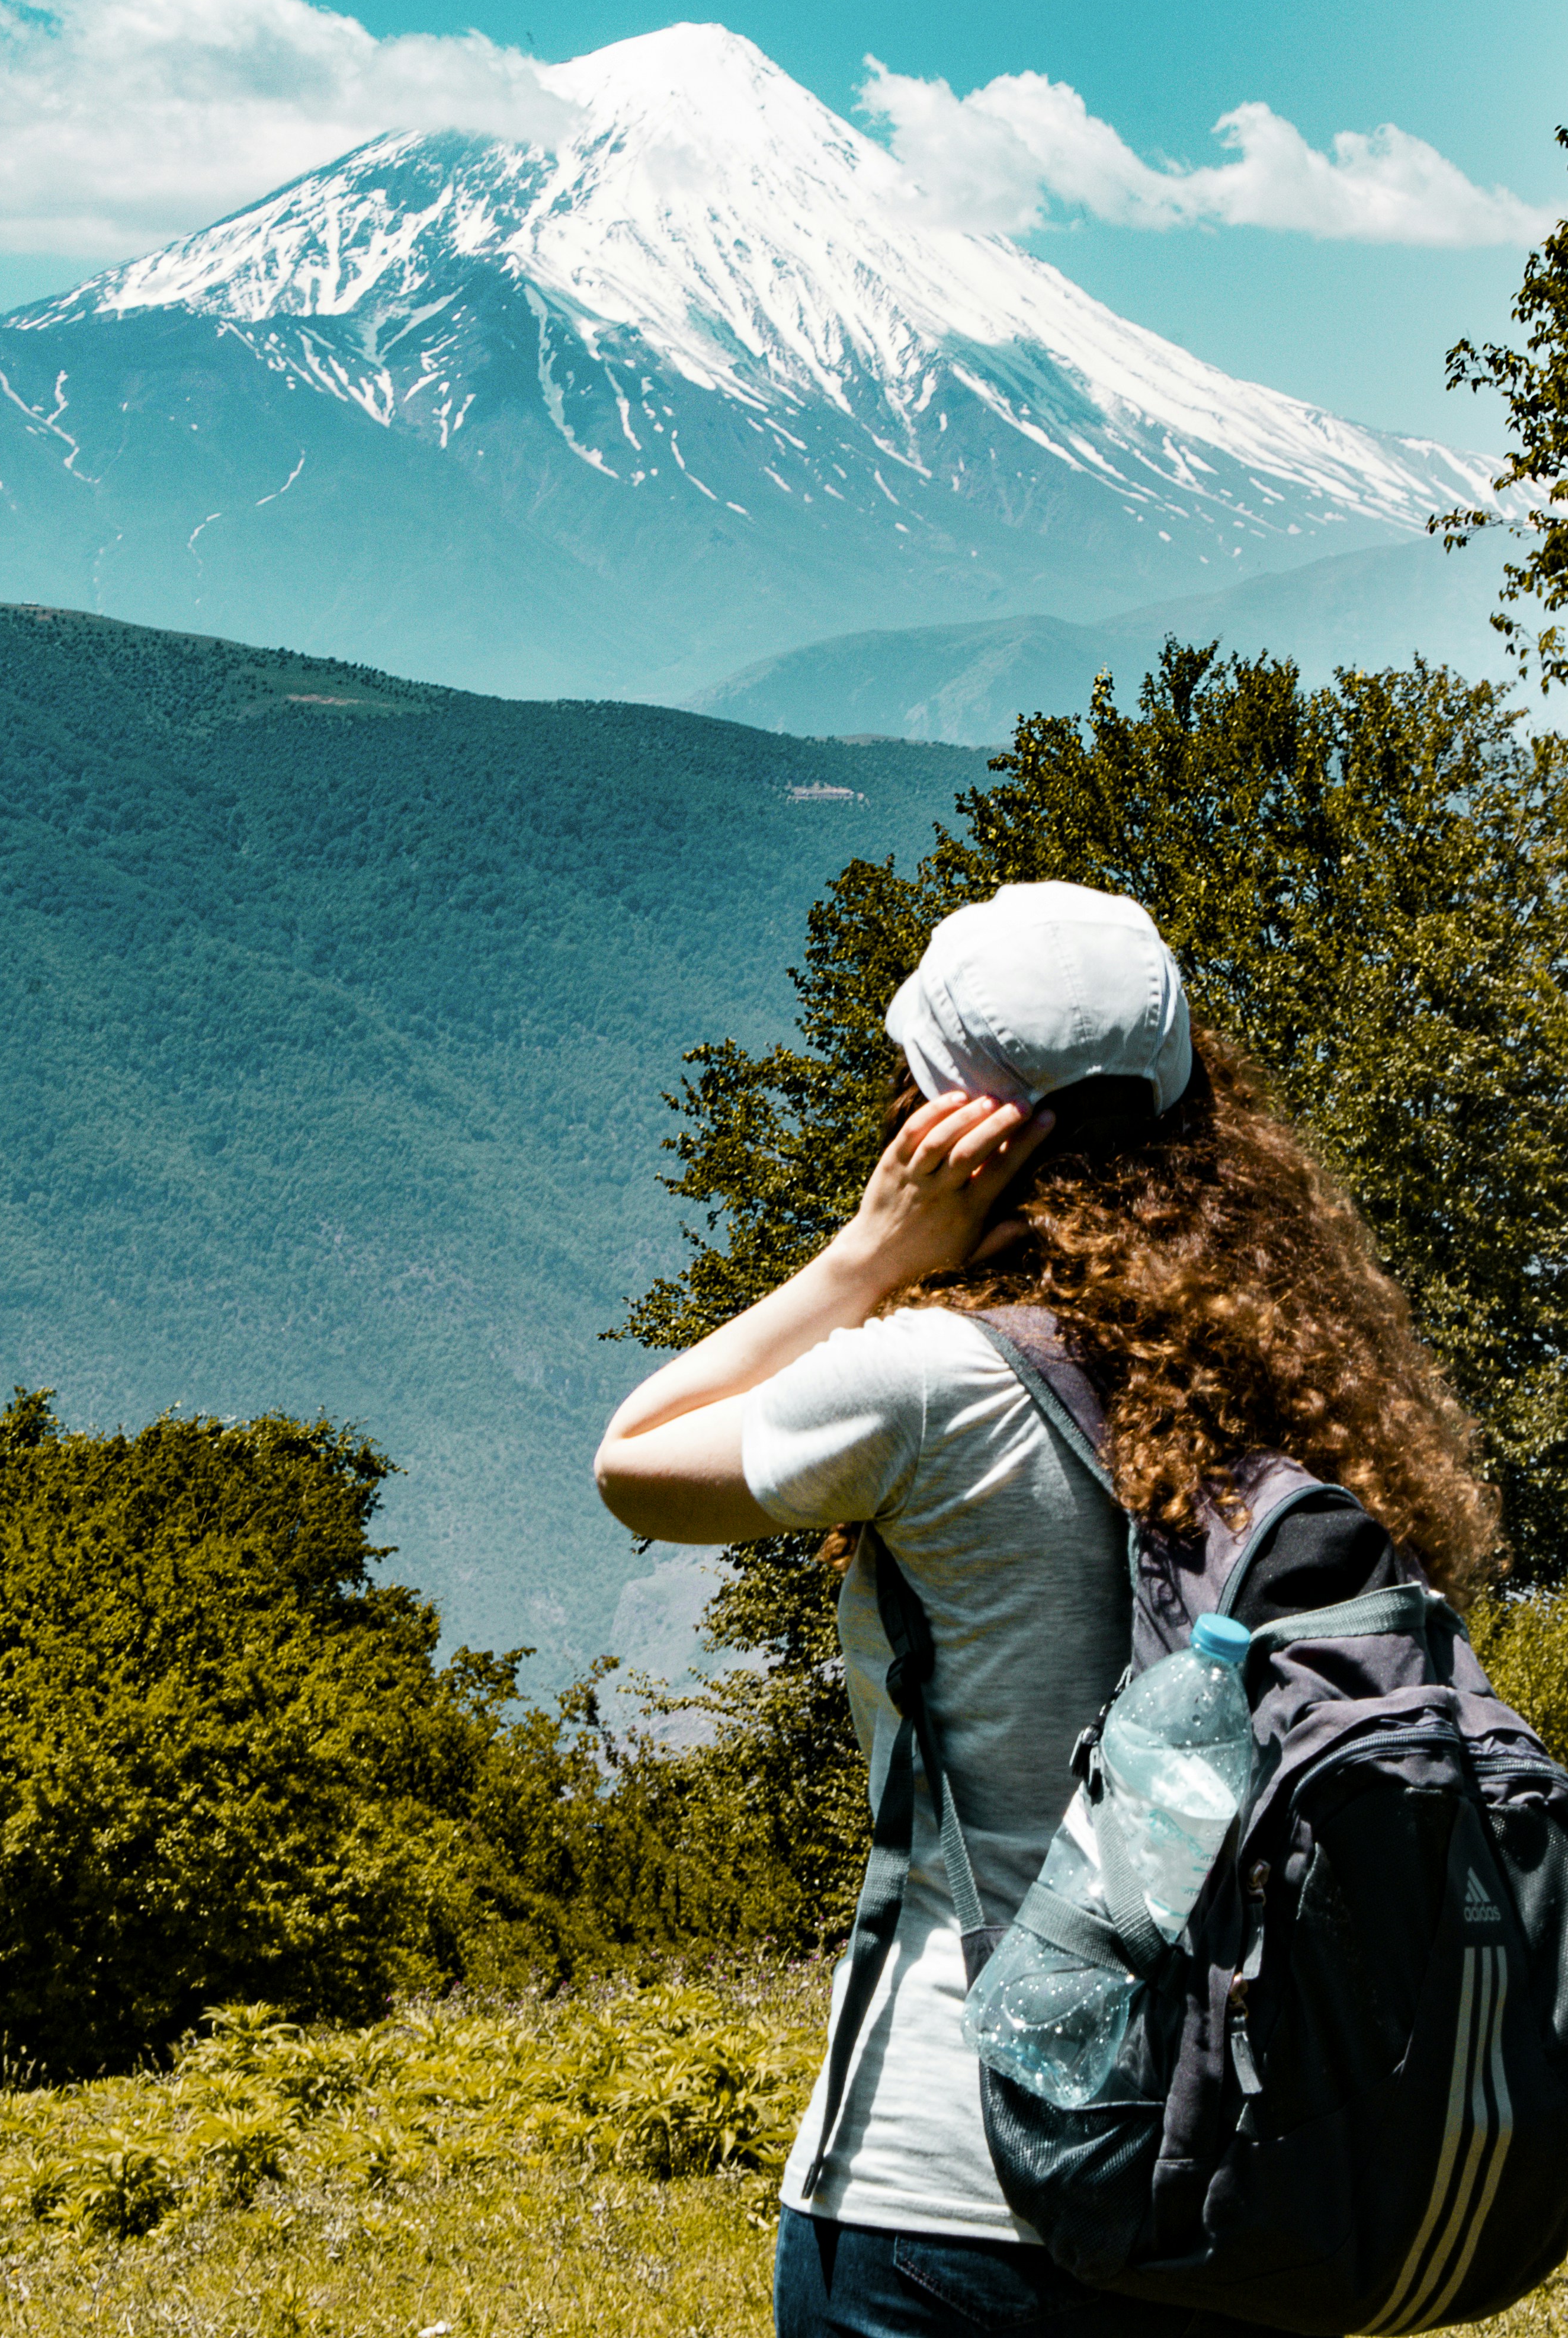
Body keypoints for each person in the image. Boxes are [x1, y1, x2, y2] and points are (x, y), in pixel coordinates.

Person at [594, 881, 1500, 2338]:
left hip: (946, 2189)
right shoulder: (1307, 1386)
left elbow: (637, 1464)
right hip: (1237, 2176)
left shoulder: (930, 1381)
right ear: (1197, 1106)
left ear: (939, 1121)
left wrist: (870, 1255)